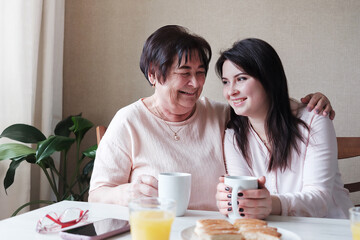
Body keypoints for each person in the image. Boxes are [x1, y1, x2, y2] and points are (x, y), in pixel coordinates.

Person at [89, 25, 335, 211]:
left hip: (217, 230)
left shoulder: (220, 114)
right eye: (184, 73)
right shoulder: (129, 121)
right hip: (159, 230)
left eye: (200, 73)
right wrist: (126, 194)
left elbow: (260, 103)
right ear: (154, 74)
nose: (195, 84)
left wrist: (312, 103)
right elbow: (96, 195)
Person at [215, 38, 353, 218]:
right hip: (277, 230)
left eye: (241, 79)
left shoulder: (315, 120)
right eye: (226, 82)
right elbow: (242, 200)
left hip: (331, 228)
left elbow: (319, 199)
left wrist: (269, 204)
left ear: (268, 78)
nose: (230, 91)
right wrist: (232, 200)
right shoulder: (234, 135)